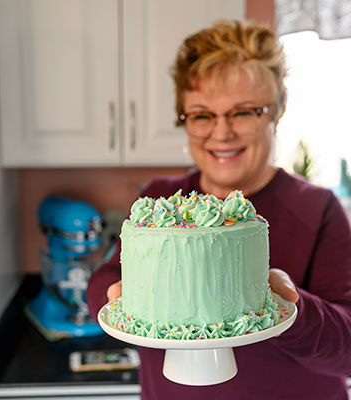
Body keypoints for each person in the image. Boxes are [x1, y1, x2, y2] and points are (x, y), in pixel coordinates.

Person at [87, 20, 351, 399]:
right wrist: (118, 296)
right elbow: (107, 278)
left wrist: (286, 308)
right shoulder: (161, 203)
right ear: (185, 119)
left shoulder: (317, 208)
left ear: (275, 113)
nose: (222, 132)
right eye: (202, 114)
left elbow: (347, 348)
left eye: (244, 112)